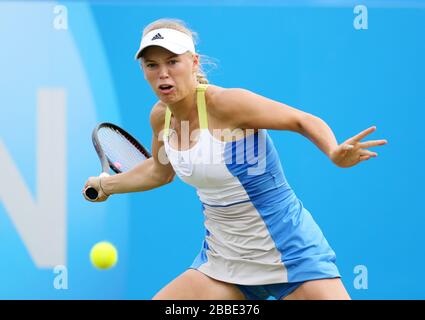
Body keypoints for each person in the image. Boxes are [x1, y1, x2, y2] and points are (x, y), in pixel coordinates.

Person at [83, 18, 387, 300]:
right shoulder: (161, 118)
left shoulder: (227, 104)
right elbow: (160, 172)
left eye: (173, 62)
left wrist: (333, 151)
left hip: (291, 253)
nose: (163, 73)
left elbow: (301, 120)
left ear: (194, 63)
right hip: (223, 261)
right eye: (152, 65)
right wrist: (107, 185)